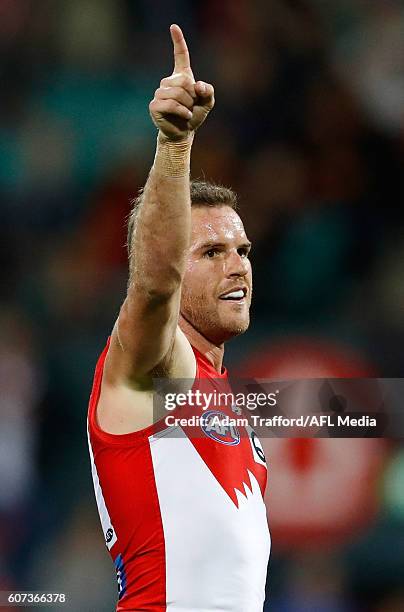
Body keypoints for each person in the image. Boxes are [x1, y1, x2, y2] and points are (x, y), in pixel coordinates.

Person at [87, 24, 270, 611]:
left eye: (242, 251)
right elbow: (155, 282)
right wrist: (174, 145)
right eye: (211, 253)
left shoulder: (226, 399)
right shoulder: (152, 367)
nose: (236, 266)